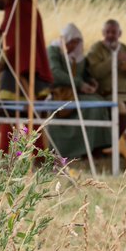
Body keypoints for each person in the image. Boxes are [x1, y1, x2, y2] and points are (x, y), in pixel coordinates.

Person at [0, 0, 52, 152]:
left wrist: (1, 62)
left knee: (8, 112)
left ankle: (6, 154)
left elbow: (13, 46)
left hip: (19, 70)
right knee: (31, 115)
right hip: (29, 67)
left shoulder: (15, 9)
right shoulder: (25, 6)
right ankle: (36, 154)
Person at [45, 23, 111, 158]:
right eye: (71, 42)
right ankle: (79, 149)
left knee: (99, 102)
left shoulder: (78, 57)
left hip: (77, 94)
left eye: (76, 42)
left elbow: (83, 75)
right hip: (59, 94)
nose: (73, 45)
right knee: (92, 107)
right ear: (65, 39)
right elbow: (55, 72)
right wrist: (80, 84)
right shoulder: (54, 50)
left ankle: (97, 147)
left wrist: (90, 82)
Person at [86, 19, 126, 118]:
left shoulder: (125, 49)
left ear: (120, 34)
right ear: (103, 33)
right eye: (107, 32)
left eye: (113, 32)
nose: (110, 35)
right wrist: (114, 59)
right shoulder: (97, 49)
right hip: (106, 94)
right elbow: (94, 72)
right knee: (120, 108)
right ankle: (121, 128)